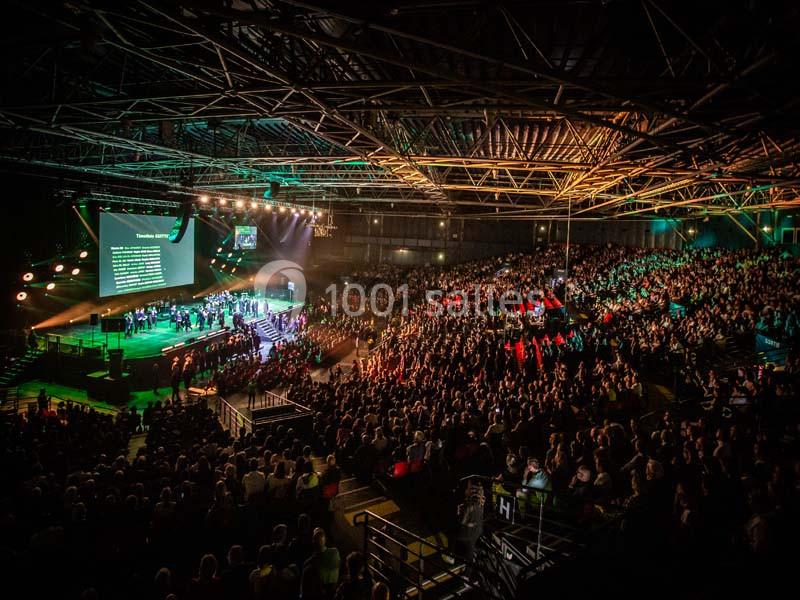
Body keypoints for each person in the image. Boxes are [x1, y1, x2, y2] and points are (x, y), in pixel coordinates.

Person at [301, 528, 340, 600]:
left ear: (313, 542)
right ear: (325, 540)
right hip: (332, 592)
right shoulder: (335, 552)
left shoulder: (309, 563)